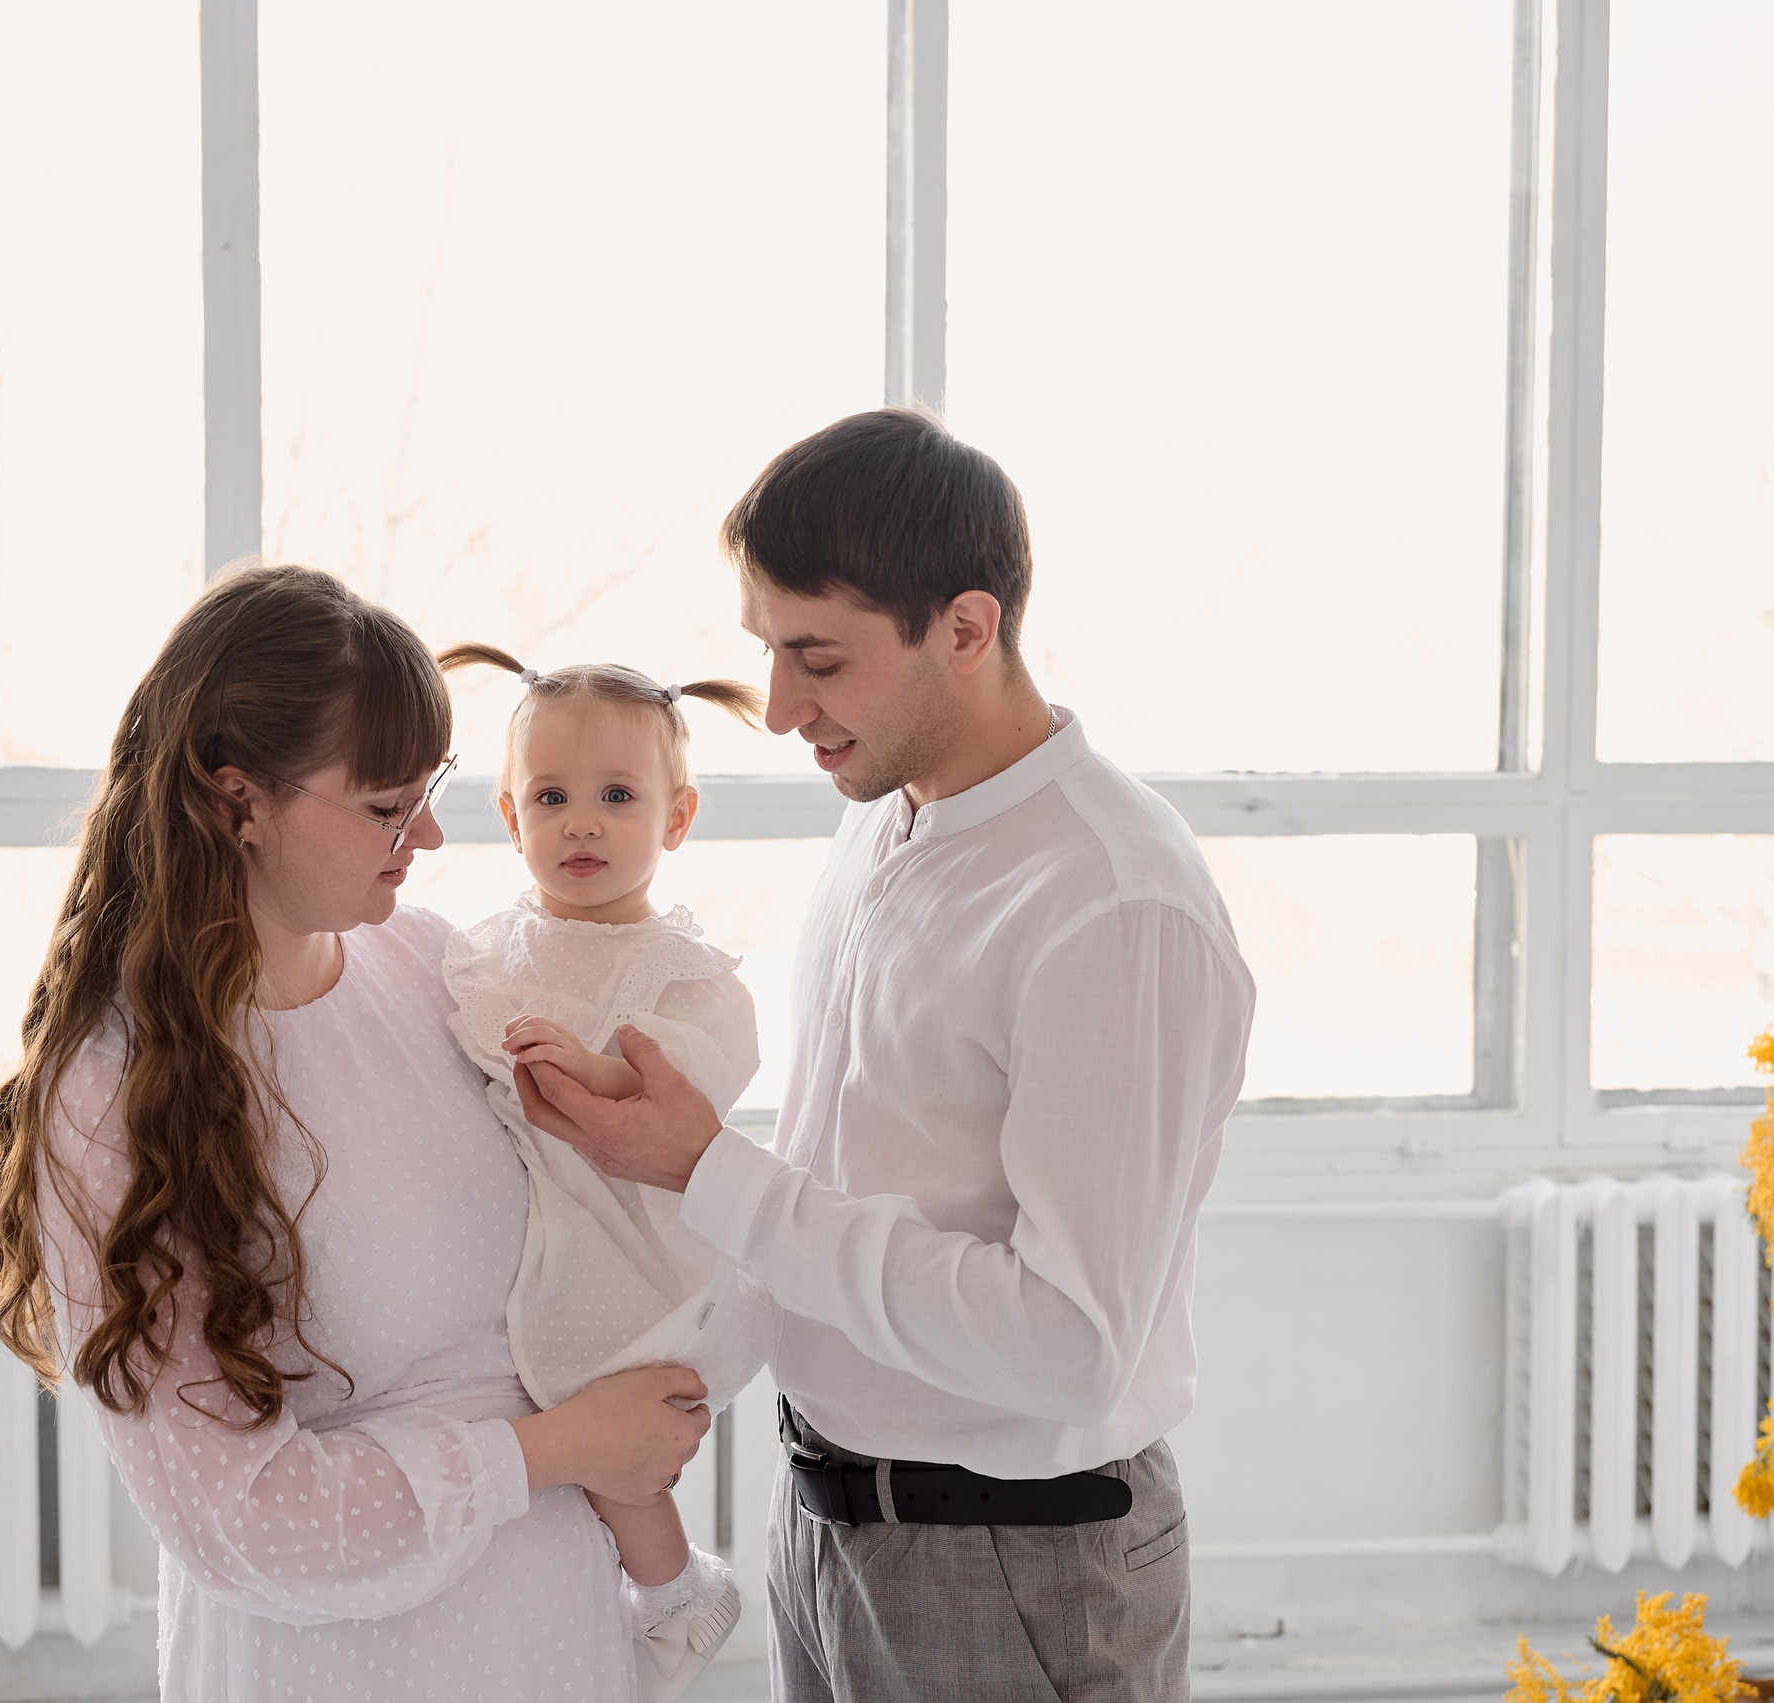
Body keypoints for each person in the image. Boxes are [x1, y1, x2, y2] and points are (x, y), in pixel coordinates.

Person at [514, 409, 1257, 1702]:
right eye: (769, 651)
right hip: (835, 1516)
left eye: (820, 659)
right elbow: (860, 1158)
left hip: (1016, 1563)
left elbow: (1070, 1342)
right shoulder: (890, 814)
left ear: (966, 629)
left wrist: (709, 1170)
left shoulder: (1113, 904)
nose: (782, 705)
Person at [0, 563, 709, 1703]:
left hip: (557, 1640)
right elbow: (239, 1519)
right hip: (339, 1667)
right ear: (236, 801)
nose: (433, 836)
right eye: (383, 805)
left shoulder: (430, 966)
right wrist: (561, 1448)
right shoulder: (111, 1091)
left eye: (428, 790)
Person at [434, 643, 780, 1696]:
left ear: (675, 817)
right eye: (552, 795)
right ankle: (607, 1591)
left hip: (629, 1233)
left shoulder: (681, 970)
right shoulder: (488, 947)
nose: (581, 820)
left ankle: (676, 1588)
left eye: (617, 795)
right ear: (509, 815)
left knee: (587, 1381)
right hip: (539, 1219)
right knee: (541, 1389)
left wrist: (590, 1062)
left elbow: (695, 1080)